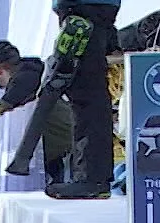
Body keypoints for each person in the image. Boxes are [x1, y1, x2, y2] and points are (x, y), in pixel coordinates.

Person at [43, 0, 121, 200]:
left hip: (85, 9)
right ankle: (90, 176)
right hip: (91, 9)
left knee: (87, 96)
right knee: (88, 94)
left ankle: (91, 177)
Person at [0, 39, 74, 184]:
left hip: (65, 149)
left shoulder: (23, 79)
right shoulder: (38, 72)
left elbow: (0, 112)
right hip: (66, 147)